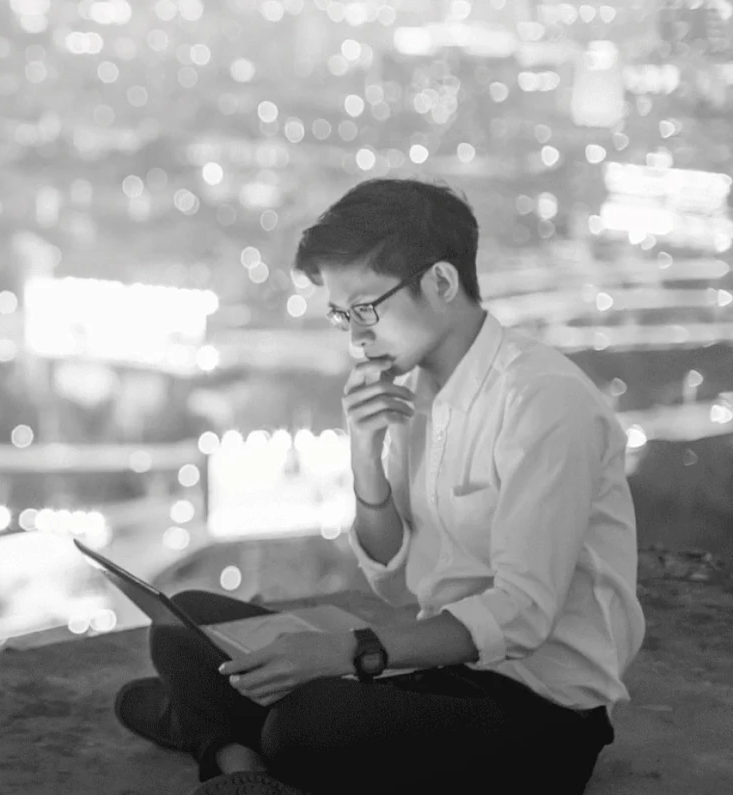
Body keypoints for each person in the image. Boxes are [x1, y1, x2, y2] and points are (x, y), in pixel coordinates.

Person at [114, 179, 644, 795]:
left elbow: (522, 614)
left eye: (366, 308)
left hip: (540, 715)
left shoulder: (542, 401)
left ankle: (228, 737)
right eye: (342, 315)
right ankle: (239, 752)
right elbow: (392, 581)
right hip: (430, 676)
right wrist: (364, 453)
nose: (354, 337)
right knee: (184, 626)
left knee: (308, 726)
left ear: (441, 284)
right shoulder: (413, 395)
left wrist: (345, 654)